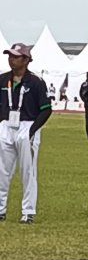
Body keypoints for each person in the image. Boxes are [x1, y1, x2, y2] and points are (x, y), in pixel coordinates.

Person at [0, 43, 52, 225]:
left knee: (28, 171)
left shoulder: (36, 82)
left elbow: (46, 109)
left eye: (16, 56)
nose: (11, 59)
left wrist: (31, 130)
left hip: (27, 125)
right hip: (6, 125)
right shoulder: (2, 79)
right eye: (10, 56)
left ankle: (28, 211)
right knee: (2, 171)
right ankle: (0, 210)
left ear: (26, 60)